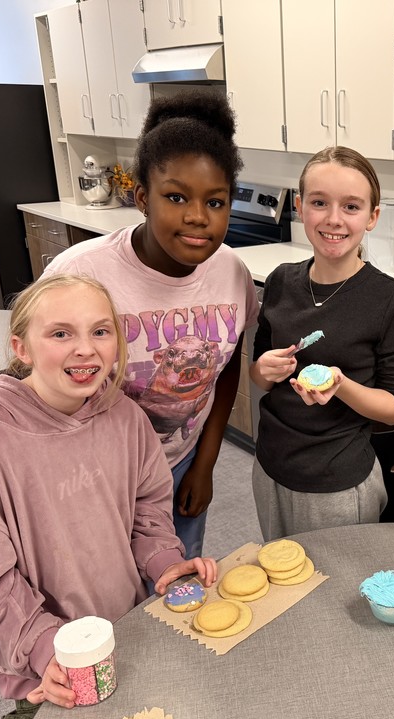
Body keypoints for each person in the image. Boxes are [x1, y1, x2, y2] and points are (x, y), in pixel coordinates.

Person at [0, 274, 218, 719]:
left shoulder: (124, 416)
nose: (85, 349)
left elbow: (146, 506)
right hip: (46, 664)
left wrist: (163, 560)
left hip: (124, 628)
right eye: (61, 333)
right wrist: (45, 646)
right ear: (21, 348)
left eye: (100, 332)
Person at [45, 89, 259, 559]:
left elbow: (223, 374)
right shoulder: (80, 274)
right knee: (103, 598)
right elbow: (38, 389)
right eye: (176, 197)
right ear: (143, 197)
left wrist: (205, 464)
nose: (197, 217)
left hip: (179, 466)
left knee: (175, 594)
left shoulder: (232, 275)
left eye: (216, 202)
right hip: (93, 475)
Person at [250, 146, 394, 538]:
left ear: (372, 217)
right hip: (271, 466)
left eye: (351, 207)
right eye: (319, 202)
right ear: (300, 207)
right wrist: (263, 369)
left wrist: (340, 385)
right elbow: (259, 376)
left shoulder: (391, 301)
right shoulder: (280, 281)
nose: (333, 219)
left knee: (336, 590)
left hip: (337, 481)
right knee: (282, 582)